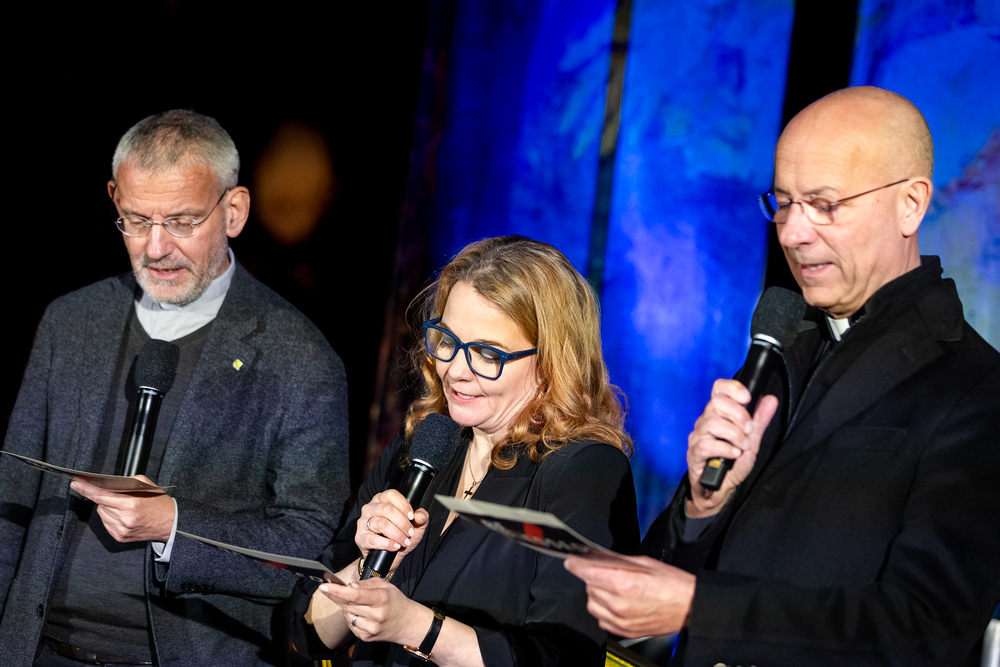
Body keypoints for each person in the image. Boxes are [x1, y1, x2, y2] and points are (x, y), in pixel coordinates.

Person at [565, 86, 1000, 666]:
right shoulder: (777, 351)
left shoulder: (976, 388)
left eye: (825, 204)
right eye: (785, 203)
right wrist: (701, 508)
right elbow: (659, 585)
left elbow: (923, 629)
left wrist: (701, 608)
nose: (793, 232)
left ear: (911, 204)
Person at [0, 110, 350, 666]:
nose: (156, 247)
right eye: (137, 220)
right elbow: (12, 497)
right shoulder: (72, 322)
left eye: (183, 222)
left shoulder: (299, 356)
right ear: (114, 198)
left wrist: (175, 526)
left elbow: (308, 543)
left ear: (234, 211)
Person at [292, 235, 640, 666]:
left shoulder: (585, 471)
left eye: (487, 353)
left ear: (551, 361)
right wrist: (367, 563)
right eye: (447, 340)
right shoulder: (427, 441)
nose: (455, 369)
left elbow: (565, 658)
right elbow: (310, 633)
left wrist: (416, 627)